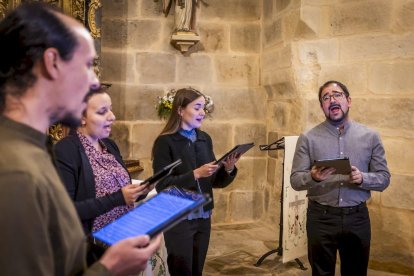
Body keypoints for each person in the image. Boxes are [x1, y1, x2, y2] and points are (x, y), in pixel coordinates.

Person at [0, 3, 160, 275]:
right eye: (87, 65)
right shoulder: (15, 171)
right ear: (52, 63)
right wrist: (109, 268)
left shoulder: (33, 147)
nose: (94, 82)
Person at [290, 80, 391, 276]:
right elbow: (295, 180)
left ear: (348, 100)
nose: (331, 100)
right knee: (321, 273)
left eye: (337, 95)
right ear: (322, 107)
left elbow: (384, 178)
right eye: (325, 98)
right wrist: (313, 177)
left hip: (357, 218)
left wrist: (363, 178)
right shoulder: (308, 138)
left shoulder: (370, 137)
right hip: (321, 218)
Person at [54, 86, 153, 264]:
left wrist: (142, 190)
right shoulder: (66, 149)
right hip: (93, 250)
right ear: (81, 118)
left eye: (111, 108)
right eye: (102, 111)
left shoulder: (109, 145)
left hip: (123, 239)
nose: (112, 116)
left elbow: (123, 192)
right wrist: (118, 198)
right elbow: (67, 211)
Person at [152, 88, 240, 276]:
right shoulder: (165, 142)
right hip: (179, 218)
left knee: (197, 270)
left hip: (203, 216)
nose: (202, 113)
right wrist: (195, 174)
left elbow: (215, 181)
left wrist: (228, 168)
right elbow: (162, 184)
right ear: (180, 110)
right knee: (181, 270)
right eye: (197, 107)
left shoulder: (204, 139)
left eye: (203, 108)